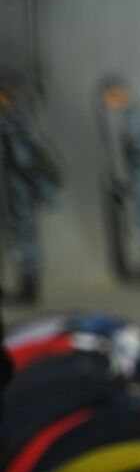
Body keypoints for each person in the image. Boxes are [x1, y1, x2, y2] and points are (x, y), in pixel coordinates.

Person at [97, 75, 140, 283]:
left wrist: (135, 170)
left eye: (108, 96)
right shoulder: (131, 114)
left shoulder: (133, 117)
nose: (106, 101)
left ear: (118, 93)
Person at [0, 70, 59, 304]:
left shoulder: (13, 118)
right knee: (24, 232)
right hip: (19, 184)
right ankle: (28, 284)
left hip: (20, 185)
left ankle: (29, 287)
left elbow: (23, 157)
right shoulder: (16, 116)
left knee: (24, 232)